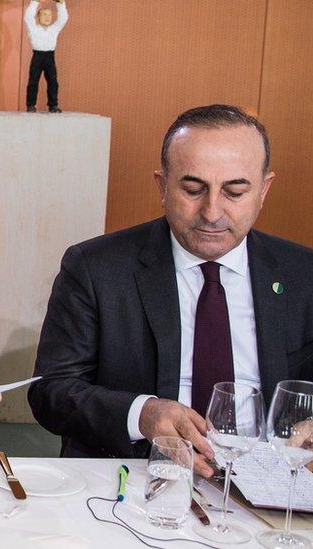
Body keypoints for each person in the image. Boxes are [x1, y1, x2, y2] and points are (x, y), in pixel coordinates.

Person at [29, 104, 313, 476]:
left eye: (235, 192)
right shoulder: (96, 268)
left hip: (276, 480)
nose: (212, 212)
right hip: (138, 475)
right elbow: (51, 391)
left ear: (264, 189)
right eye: (193, 189)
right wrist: (142, 413)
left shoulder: (303, 274)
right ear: (163, 186)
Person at [24, 0, 68, 113]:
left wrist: (60, 3)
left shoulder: (54, 29)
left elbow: (63, 19)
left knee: (53, 82)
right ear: (38, 17)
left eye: (49, 15)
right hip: (37, 57)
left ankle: (53, 105)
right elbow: (28, 17)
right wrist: (35, 2)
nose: (47, 17)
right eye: (44, 14)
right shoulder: (33, 28)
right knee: (33, 81)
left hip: (50, 57)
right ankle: (31, 105)